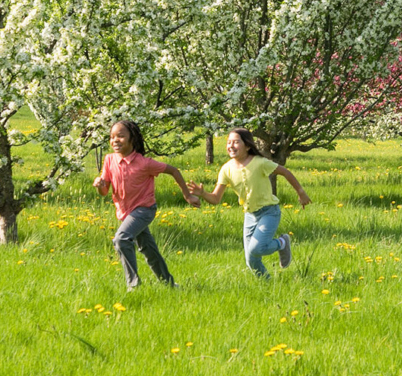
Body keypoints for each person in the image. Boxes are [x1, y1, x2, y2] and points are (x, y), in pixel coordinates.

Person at [189, 127, 312, 278]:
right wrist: (202, 193)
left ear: (247, 146)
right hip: (250, 216)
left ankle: (282, 243)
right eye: (228, 142)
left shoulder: (260, 163)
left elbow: (285, 172)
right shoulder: (226, 169)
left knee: (256, 249)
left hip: (269, 212)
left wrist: (301, 192)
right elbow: (215, 199)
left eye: (236, 142)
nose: (231, 146)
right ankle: (267, 285)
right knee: (251, 260)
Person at [93, 120, 200, 290]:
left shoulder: (145, 163)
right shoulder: (109, 160)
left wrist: (187, 195)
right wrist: (100, 185)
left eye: (121, 136)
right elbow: (105, 191)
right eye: (112, 137)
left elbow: (174, 171)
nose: (115, 140)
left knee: (121, 239)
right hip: (125, 213)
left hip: (144, 209)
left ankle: (133, 285)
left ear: (132, 139)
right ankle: (170, 285)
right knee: (149, 250)